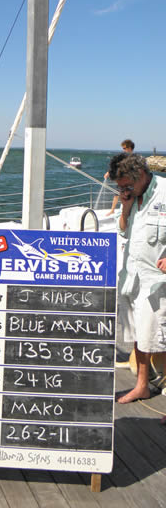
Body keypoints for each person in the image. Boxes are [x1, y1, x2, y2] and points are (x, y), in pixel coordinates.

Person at [108, 152, 166, 403]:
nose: (124, 190)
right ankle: (142, 385)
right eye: (120, 187)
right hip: (131, 276)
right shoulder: (131, 196)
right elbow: (122, 230)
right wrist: (126, 205)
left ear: (141, 175)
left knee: (159, 335)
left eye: (127, 185)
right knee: (138, 335)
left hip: (156, 280)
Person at [105, 139, 135, 215]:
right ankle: (112, 210)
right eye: (123, 148)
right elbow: (117, 165)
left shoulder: (134, 158)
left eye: (124, 148)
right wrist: (108, 172)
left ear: (129, 148)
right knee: (116, 194)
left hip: (130, 180)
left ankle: (128, 211)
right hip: (122, 179)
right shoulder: (123, 157)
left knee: (128, 196)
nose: (123, 150)